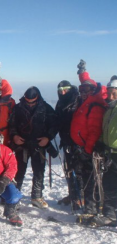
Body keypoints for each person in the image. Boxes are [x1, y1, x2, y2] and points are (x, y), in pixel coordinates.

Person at [9, 86, 58, 209]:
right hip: (22, 145)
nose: (29, 104)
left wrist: (48, 137)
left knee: (39, 171)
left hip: (38, 145)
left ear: (37, 98)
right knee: (18, 171)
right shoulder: (18, 108)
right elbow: (11, 123)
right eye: (27, 101)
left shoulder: (45, 108)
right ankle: (14, 196)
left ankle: (37, 196)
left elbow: (55, 125)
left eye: (32, 101)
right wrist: (14, 136)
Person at [70, 60, 107, 222]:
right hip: (82, 147)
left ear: (93, 90)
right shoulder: (88, 101)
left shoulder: (95, 106)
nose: (83, 92)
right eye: (81, 89)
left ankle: (92, 208)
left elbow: (94, 131)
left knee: (91, 178)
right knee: (85, 177)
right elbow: (87, 82)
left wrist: (87, 150)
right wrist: (82, 72)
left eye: (86, 89)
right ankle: (89, 205)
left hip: (89, 150)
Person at [89, 79, 117, 226]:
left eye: (114, 94)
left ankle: (110, 214)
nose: (110, 97)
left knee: (111, 184)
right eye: (109, 93)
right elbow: (105, 130)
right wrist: (100, 142)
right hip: (110, 153)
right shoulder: (109, 110)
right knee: (109, 184)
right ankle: (110, 213)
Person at [55, 80, 84, 209]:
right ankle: (73, 195)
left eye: (65, 89)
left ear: (70, 89)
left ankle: (81, 197)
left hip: (79, 143)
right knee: (69, 170)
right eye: (60, 90)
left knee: (79, 170)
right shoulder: (60, 103)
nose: (63, 92)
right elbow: (57, 120)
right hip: (66, 141)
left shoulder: (78, 101)